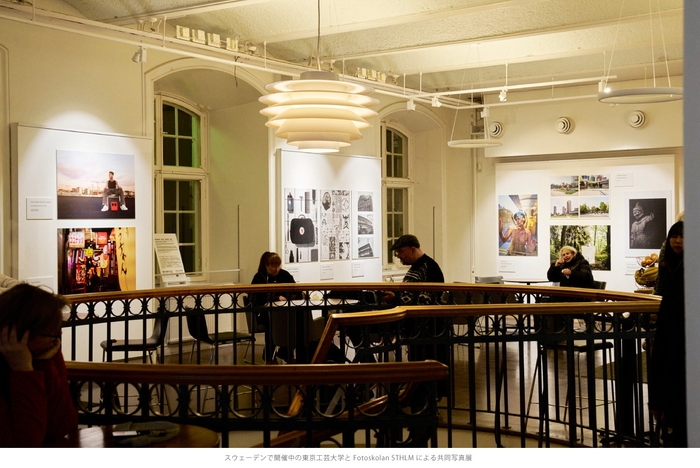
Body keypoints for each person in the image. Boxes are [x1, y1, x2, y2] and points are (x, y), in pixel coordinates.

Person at [386, 234, 446, 447]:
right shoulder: (420, 267)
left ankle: (425, 413)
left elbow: (424, 299)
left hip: (427, 331)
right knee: (418, 370)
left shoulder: (428, 267)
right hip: (420, 331)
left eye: (400, 252)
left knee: (423, 371)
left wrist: (396, 297)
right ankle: (421, 412)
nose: (398, 256)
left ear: (412, 249)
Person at [0, 284, 78, 447]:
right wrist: (23, 371)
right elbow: (23, 445)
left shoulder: (45, 353)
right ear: (19, 334)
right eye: (52, 333)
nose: (58, 337)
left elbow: (64, 425)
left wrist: (44, 365)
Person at [649, 221, 686, 447]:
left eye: (683, 236)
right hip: (672, 344)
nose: (678, 241)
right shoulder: (670, 266)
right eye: (675, 236)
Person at [250, 252, 296, 363]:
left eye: (278, 265)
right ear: (266, 265)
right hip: (265, 314)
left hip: (284, 311)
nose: (276, 269)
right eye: (273, 266)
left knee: (294, 321)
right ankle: (270, 356)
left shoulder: (284, 274)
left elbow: (295, 290)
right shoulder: (259, 277)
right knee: (272, 324)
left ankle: (286, 352)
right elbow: (255, 298)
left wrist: (287, 297)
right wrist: (276, 298)